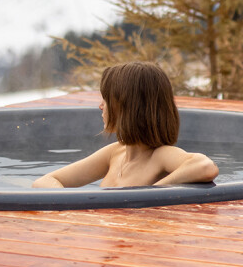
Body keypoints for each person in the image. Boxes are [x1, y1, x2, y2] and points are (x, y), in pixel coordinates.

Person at [33, 61, 219, 189]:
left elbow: (205, 167)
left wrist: (154, 192)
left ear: (126, 108)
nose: (100, 106)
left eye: (106, 100)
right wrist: (72, 211)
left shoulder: (159, 156)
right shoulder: (114, 153)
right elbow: (46, 181)